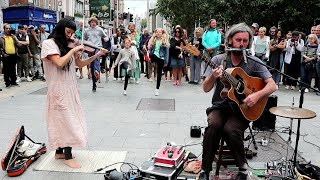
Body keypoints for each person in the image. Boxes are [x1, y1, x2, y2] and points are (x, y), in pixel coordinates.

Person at [199, 23, 277, 180]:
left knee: (231, 129)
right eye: (238, 40)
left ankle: (242, 169)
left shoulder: (254, 62)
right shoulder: (218, 59)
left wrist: (256, 96)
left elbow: (272, 85)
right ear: (229, 41)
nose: (242, 43)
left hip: (242, 109)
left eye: (245, 40)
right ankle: (205, 170)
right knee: (214, 125)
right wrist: (213, 76)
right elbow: (206, 88)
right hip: (220, 107)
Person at [40, 17, 108, 168]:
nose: (70, 36)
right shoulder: (48, 44)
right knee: (66, 121)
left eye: (72, 33)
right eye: (68, 32)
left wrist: (97, 55)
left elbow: (80, 64)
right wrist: (73, 50)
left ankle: (59, 152)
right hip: (58, 89)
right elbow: (59, 63)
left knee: (62, 119)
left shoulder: (68, 45)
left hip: (70, 88)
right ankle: (68, 156)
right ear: (60, 29)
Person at [83, 16, 109, 92]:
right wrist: (85, 44)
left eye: (94, 22)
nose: (93, 23)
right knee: (91, 64)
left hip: (98, 47)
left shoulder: (99, 29)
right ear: (89, 23)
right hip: (90, 47)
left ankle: (97, 71)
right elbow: (84, 39)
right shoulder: (86, 30)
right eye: (92, 22)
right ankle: (94, 82)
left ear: (96, 23)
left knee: (96, 59)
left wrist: (106, 39)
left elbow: (106, 37)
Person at [147, 28, 169, 96]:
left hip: (161, 58)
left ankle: (157, 89)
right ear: (155, 33)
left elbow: (166, 53)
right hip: (154, 56)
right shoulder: (154, 40)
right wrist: (152, 38)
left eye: (160, 32)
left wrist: (166, 61)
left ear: (162, 33)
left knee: (159, 74)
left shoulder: (164, 41)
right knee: (150, 54)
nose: (158, 33)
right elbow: (149, 47)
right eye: (157, 32)